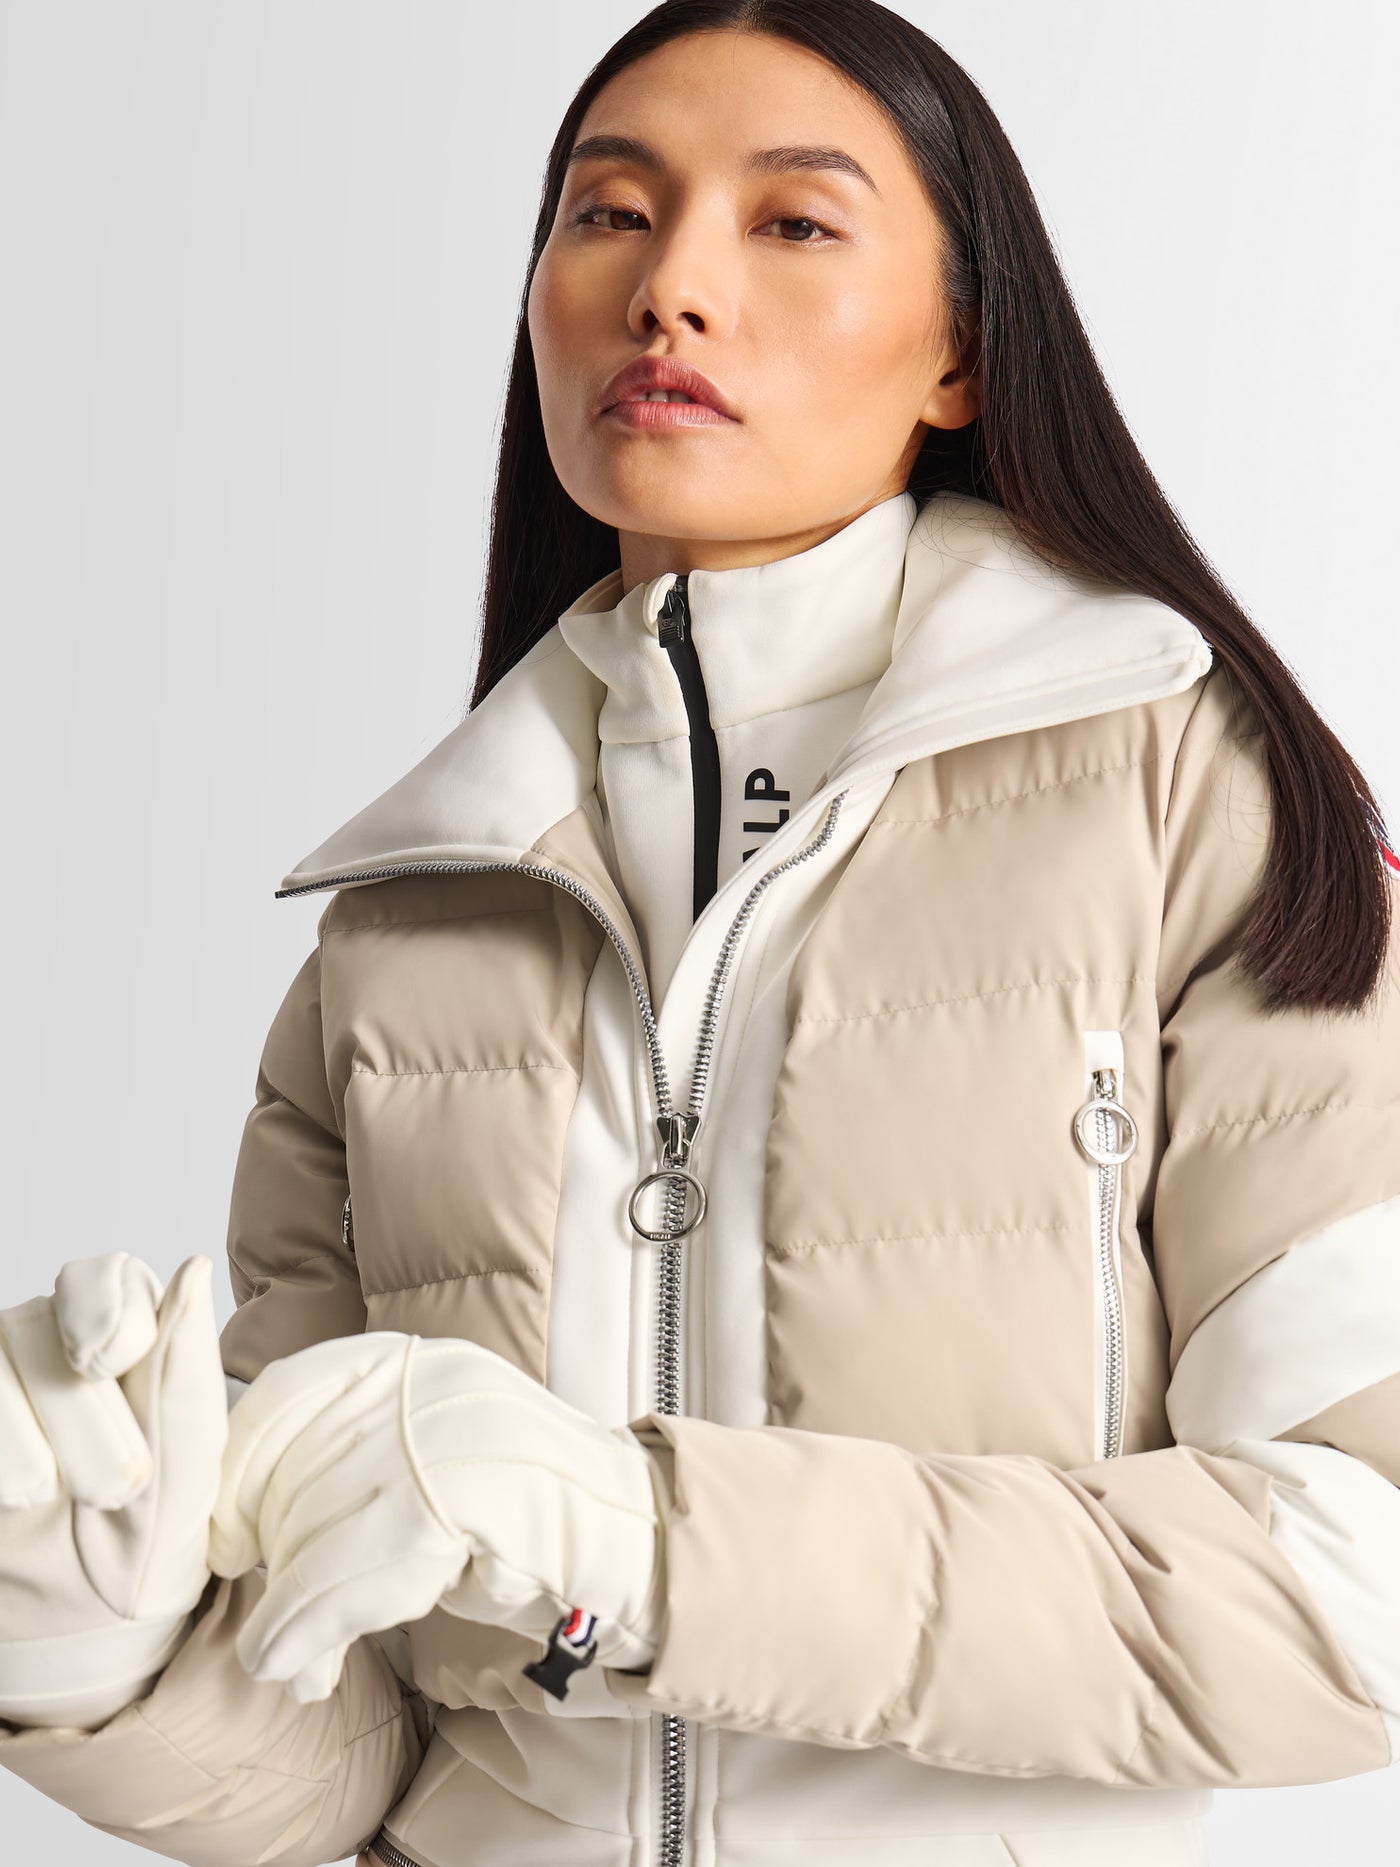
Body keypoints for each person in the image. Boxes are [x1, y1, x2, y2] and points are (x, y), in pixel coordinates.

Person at [3, 3, 1400, 1865]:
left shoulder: (1198, 803)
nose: (668, 289)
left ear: (962, 350)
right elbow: (354, 1751)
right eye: (608, 214)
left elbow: (1360, 1586)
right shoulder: (406, 923)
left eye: (793, 222)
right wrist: (92, 1645)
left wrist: (640, 1539)